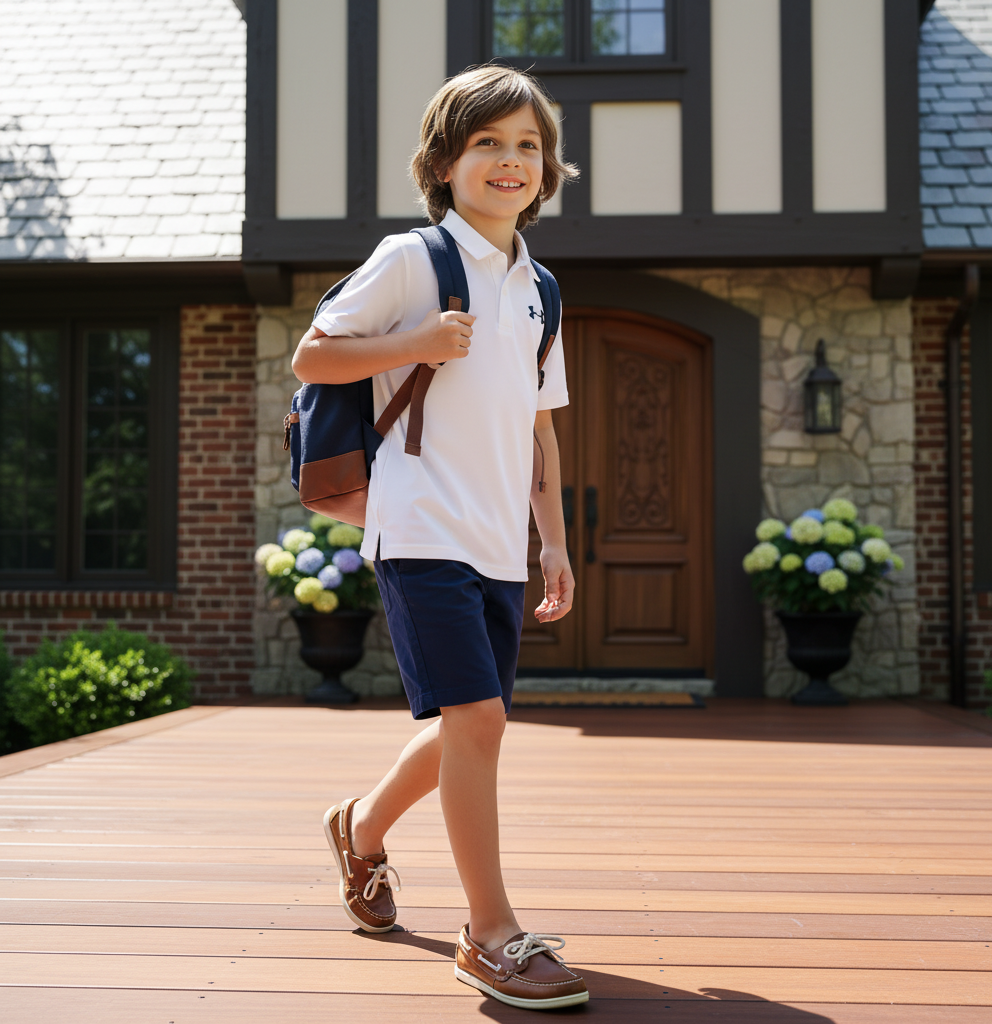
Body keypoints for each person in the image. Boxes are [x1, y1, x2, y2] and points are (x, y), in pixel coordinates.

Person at [290, 65, 587, 1010]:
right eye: (487, 143)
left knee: (467, 722)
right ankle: (491, 935)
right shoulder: (413, 259)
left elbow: (539, 428)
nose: (510, 160)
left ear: (547, 170)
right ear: (445, 164)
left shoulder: (539, 286)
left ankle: (360, 828)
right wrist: (416, 344)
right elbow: (313, 355)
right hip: (419, 523)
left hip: (499, 539)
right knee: (479, 721)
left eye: (527, 145)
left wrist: (553, 542)